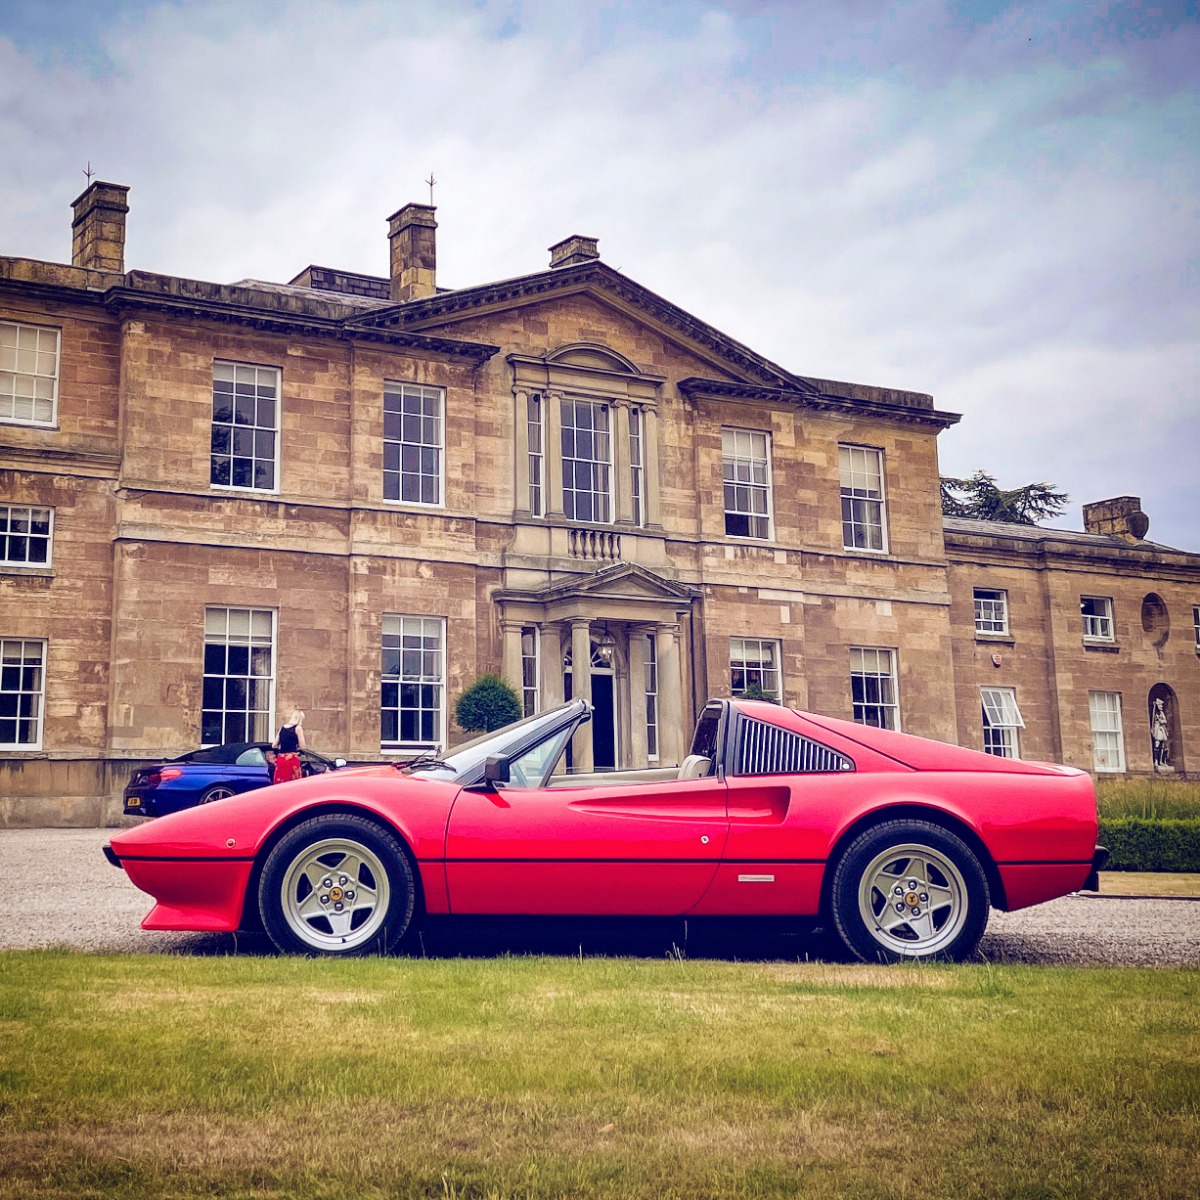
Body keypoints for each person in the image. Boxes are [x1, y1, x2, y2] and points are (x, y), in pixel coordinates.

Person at [272, 710, 307, 783]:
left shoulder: (282, 728)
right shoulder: (298, 728)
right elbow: (303, 746)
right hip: (292, 758)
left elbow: (274, 745)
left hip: (281, 758)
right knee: (293, 782)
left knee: (280, 781)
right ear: (300, 719)